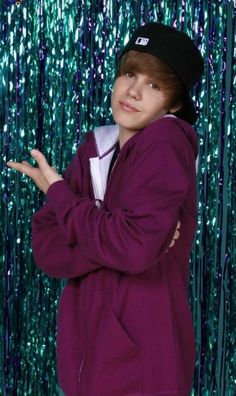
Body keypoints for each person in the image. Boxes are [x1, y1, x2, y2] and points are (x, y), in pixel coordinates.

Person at [7, 22, 204, 396]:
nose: (132, 92)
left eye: (154, 85)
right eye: (129, 74)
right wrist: (117, 236)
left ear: (173, 104)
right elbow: (48, 251)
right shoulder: (97, 146)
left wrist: (63, 197)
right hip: (85, 353)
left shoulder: (167, 139)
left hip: (142, 359)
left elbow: (133, 248)